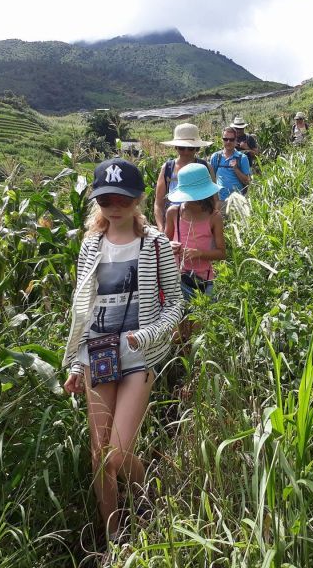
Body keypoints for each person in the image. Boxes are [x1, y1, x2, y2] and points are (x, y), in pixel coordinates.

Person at [62, 157, 184, 544]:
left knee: (116, 453)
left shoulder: (155, 244)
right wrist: (76, 364)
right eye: (106, 199)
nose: (115, 206)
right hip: (97, 353)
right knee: (99, 459)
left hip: (138, 357)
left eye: (123, 199)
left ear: (138, 200)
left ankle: (148, 496)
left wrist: (148, 335)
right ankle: (114, 536)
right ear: (97, 202)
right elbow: (82, 307)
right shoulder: (90, 245)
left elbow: (176, 304)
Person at [165, 163, 226, 301]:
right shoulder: (173, 213)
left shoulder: (214, 217)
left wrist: (200, 254)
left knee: (203, 320)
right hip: (178, 278)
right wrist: (169, 246)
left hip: (205, 280)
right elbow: (163, 245)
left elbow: (222, 253)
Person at [153, 123, 214, 232]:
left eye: (190, 148)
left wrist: (212, 223)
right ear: (176, 147)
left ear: (196, 148)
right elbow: (159, 203)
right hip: (172, 222)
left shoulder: (205, 167)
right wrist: (162, 229)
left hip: (200, 221)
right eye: (182, 148)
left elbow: (214, 199)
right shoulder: (167, 168)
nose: (186, 152)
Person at [210, 126, 251, 204]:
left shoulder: (242, 158)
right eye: (225, 139)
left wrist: (236, 169)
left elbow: (248, 181)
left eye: (231, 139)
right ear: (222, 140)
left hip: (238, 201)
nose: (228, 142)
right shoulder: (216, 157)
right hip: (220, 200)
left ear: (236, 140)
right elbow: (212, 179)